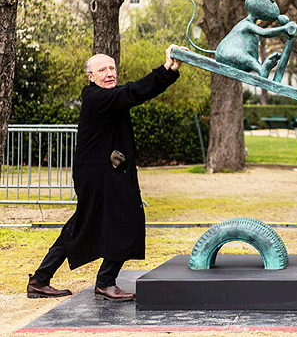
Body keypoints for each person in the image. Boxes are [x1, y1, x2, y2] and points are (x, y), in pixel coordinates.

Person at [27, 44, 189, 302]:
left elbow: (133, 93)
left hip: (106, 172)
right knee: (127, 219)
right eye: (102, 69)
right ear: (91, 76)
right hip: (96, 176)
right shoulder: (96, 98)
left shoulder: (108, 96)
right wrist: (165, 69)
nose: (109, 73)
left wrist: (170, 70)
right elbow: (134, 92)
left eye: (112, 68)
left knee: (82, 225)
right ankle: (104, 283)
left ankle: (40, 280)